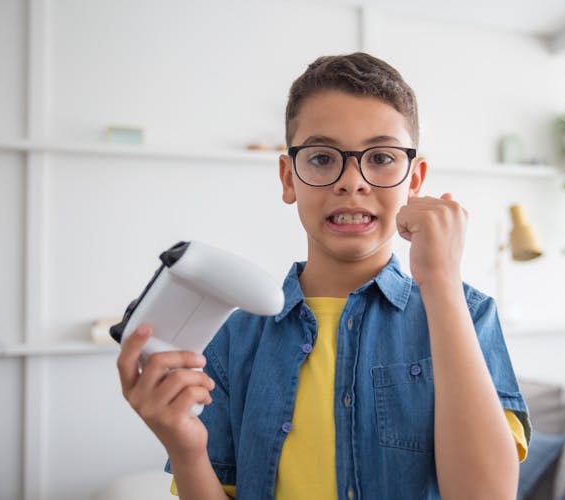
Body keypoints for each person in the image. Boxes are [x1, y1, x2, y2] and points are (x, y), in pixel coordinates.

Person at [117, 52, 530, 500]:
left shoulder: (469, 314)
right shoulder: (233, 338)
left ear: (414, 179)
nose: (352, 181)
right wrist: (185, 449)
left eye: (381, 157)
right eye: (320, 158)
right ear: (288, 177)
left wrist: (442, 283)